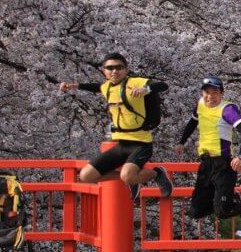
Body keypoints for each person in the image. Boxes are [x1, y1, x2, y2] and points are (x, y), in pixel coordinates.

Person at [59, 52, 173, 202]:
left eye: (119, 67)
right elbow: (96, 87)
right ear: (103, 70)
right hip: (121, 144)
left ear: (126, 69)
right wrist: (74, 86)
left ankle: (156, 173)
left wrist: (146, 89)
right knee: (85, 176)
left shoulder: (135, 82)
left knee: (127, 175)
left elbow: (162, 85)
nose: (114, 71)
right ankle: (131, 181)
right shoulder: (107, 87)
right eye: (110, 68)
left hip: (141, 143)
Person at [176, 76, 241, 225]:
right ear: (202, 92)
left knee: (223, 212)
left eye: (215, 92)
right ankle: (231, 200)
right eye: (206, 92)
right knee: (195, 211)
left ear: (222, 94)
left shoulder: (227, 109)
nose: (210, 96)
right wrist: (182, 142)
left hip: (223, 165)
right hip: (206, 164)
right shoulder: (200, 104)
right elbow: (193, 121)